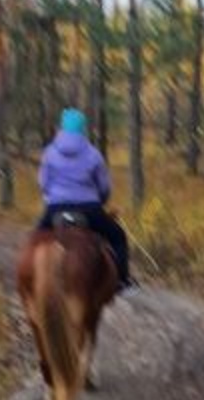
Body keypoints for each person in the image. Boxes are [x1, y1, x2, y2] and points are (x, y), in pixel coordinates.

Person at [37, 108, 133, 290]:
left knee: (33, 239)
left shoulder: (49, 152)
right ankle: (122, 280)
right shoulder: (93, 154)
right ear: (83, 129)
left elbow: (43, 183)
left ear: (62, 128)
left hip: (55, 208)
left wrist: (51, 198)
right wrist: (101, 201)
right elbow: (104, 187)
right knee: (118, 236)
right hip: (89, 209)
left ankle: (29, 281)